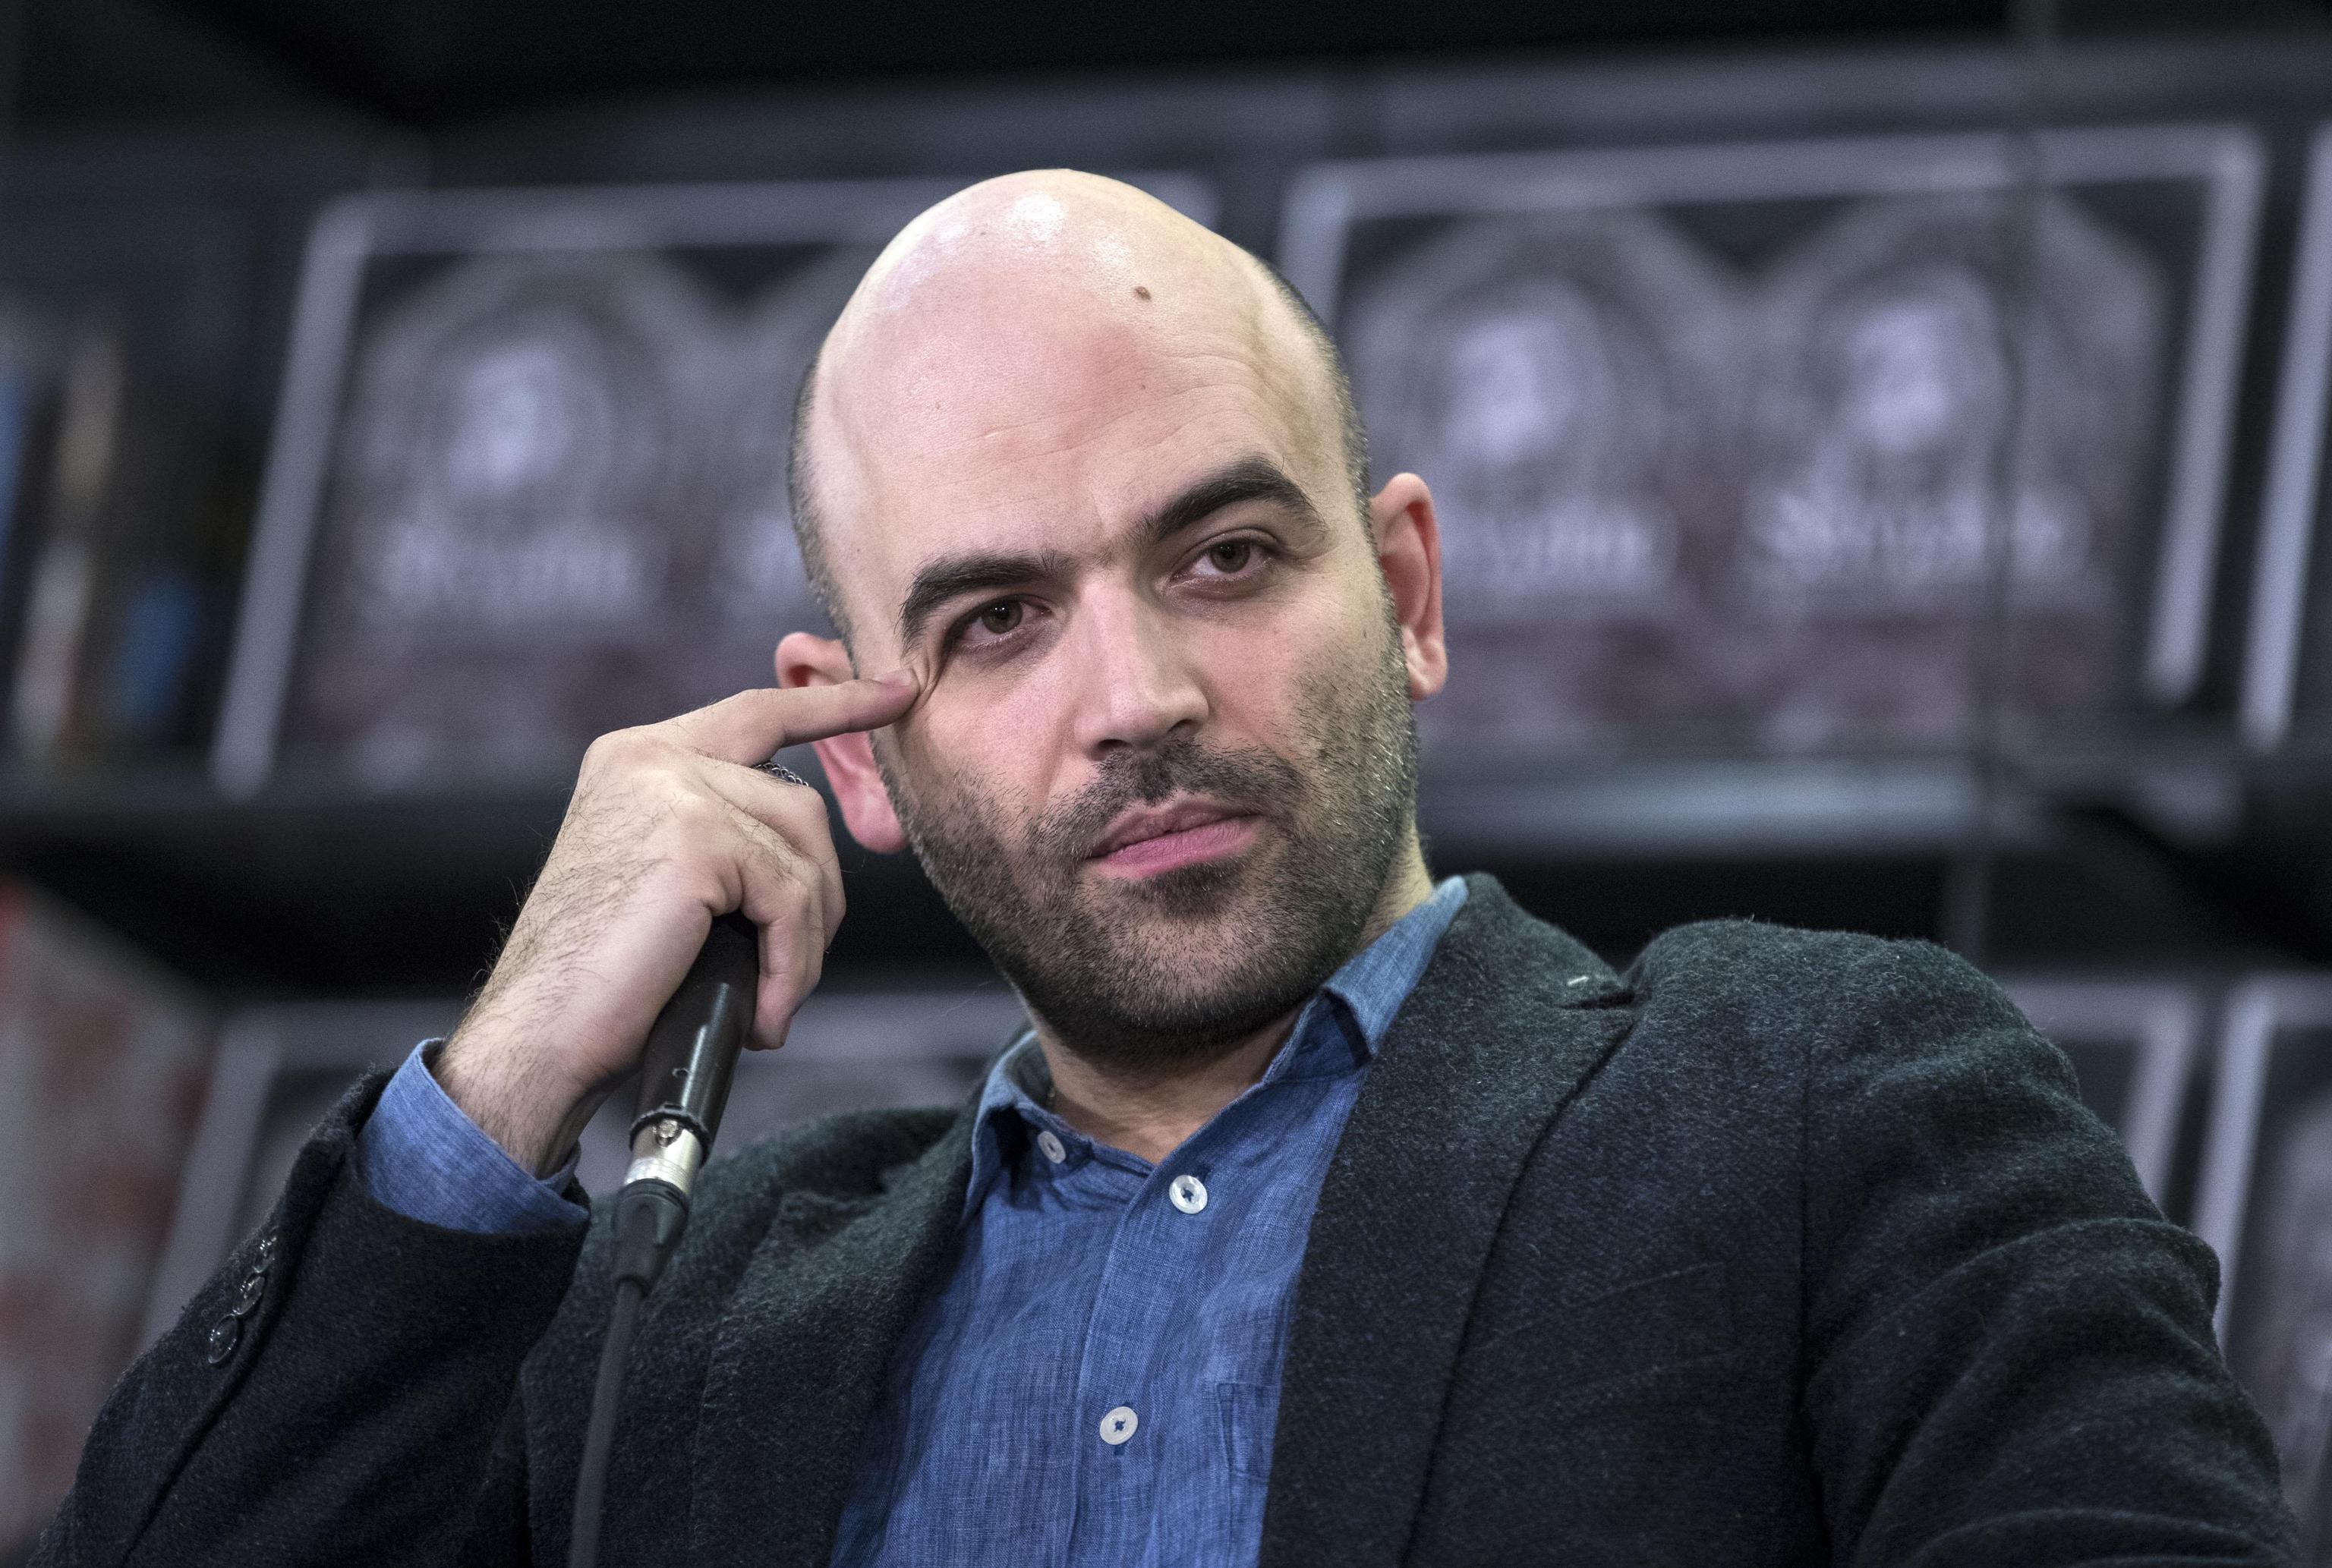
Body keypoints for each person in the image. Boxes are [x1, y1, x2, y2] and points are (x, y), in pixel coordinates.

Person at [39, 171, 2294, 1566]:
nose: (1135, 695)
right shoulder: (677, 1319)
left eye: (1222, 554)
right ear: (861, 746)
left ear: (1403, 587)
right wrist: (514, 1060)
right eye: (997, 619)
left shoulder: (1829, 1091)